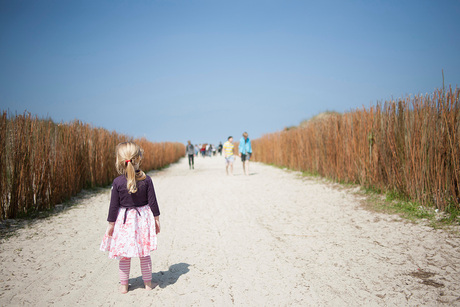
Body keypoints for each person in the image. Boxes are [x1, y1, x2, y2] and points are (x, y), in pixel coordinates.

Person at [100, 142, 161, 294]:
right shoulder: (146, 180)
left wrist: (111, 224)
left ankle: (124, 286)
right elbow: (153, 202)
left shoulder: (118, 182)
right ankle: (148, 284)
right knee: (144, 253)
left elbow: (113, 206)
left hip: (124, 222)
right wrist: (157, 219)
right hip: (143, 221)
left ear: (120, 160)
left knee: (124, 255)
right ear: (139, 158)